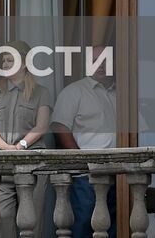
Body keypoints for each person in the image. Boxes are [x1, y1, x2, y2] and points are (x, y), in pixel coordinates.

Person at [0, 42, 53, 238]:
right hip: (3, 166)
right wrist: (6, 147)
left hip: (33, 165)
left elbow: (41, 127)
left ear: (24, 64)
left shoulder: (41, 92)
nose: (5, 64)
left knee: (32, 220)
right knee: (3, 217)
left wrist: (21, 145)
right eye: (4, 60)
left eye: (10, 60)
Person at [50, 62, 117, 238]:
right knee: (84, 221)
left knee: (114, 224)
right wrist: (81, 161)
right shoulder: (74, 91)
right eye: (95, 61)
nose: (101, 65)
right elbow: (60, 126)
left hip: (119, 172)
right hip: (87, 174)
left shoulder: (121, 92)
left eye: (105, 60)